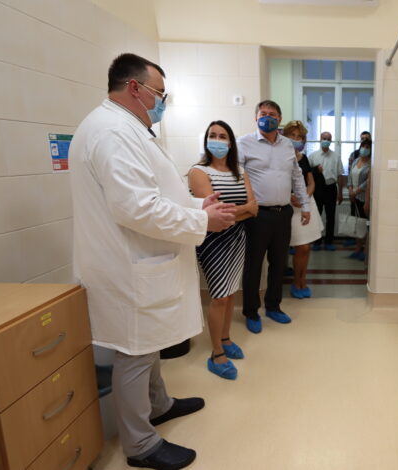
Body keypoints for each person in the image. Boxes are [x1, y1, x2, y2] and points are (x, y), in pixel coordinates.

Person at [70, 53, 236, 470]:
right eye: (160, 93)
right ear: (135, 88)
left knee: (149, 343)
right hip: (127, 265)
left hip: (140, 258)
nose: (163, 101)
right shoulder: (112, 132)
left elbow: (158, 194)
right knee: (135, 351)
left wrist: (198, 205)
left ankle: (159, 404)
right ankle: (140, 444)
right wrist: (203, 220)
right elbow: (136, 208)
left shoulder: (128, 129)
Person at [188, 120, 258, 380]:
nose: (217, 140)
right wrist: (243, 210)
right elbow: (212, 213)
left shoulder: (240, 171)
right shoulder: (198, 172)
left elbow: (254, 208)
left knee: (230, 294)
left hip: (237, 238)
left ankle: (226, 339)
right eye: (212, 135)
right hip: (212, 240)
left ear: (230, 142)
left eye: (222, 136)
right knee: (218, 296)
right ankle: (216, 353)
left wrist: (236, 212)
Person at [238, 100, 310, 334]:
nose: (267, 117)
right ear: (256, 117)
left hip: (283, 213)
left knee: (279, 264)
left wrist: (305, 205)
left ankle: (273, 307)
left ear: (279, 119)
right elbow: (236, 176)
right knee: (253, 266)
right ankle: (251, 311)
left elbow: (297, 176)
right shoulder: (243, 143)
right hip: (257, 215)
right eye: (263, 113)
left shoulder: (287, 145)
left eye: (272, 114)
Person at [283, 120, 323, 299]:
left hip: (306, 204)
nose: (296, 139)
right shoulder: (280, 157)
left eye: (299, 137)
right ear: (285, 137)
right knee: (300, 246)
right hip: (288, 205)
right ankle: (295, 281)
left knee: (306, 248)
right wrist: (291, 198)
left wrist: (304, 198)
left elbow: (311, 183)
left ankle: (302, 280)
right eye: (292, 135)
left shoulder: (304, 158)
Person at [308, 131, 343, 251]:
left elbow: (340, 175)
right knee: (316, 216)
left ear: (331, 141)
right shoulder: (313, 156)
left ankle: (329, 241)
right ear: (320, 139)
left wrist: (340, 193)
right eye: (324, 138)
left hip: (331, 188)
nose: (326, 141)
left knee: (330, 216)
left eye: (328, 139)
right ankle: (317, 241)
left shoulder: (336, 156)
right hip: (317, 189)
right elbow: (308, 175)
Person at [347, 138, 372, 262]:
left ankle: (364, 251)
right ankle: (357, 249)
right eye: (363, 146)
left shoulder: (371, 164)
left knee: (364, 224)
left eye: (367, 147)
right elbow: (350, 176)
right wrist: (350, 189)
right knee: (357, 224)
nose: (364, 149)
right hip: (354, 197)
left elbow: (368, 181)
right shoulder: (356, 160)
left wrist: (357, 191)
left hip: (363, 198)